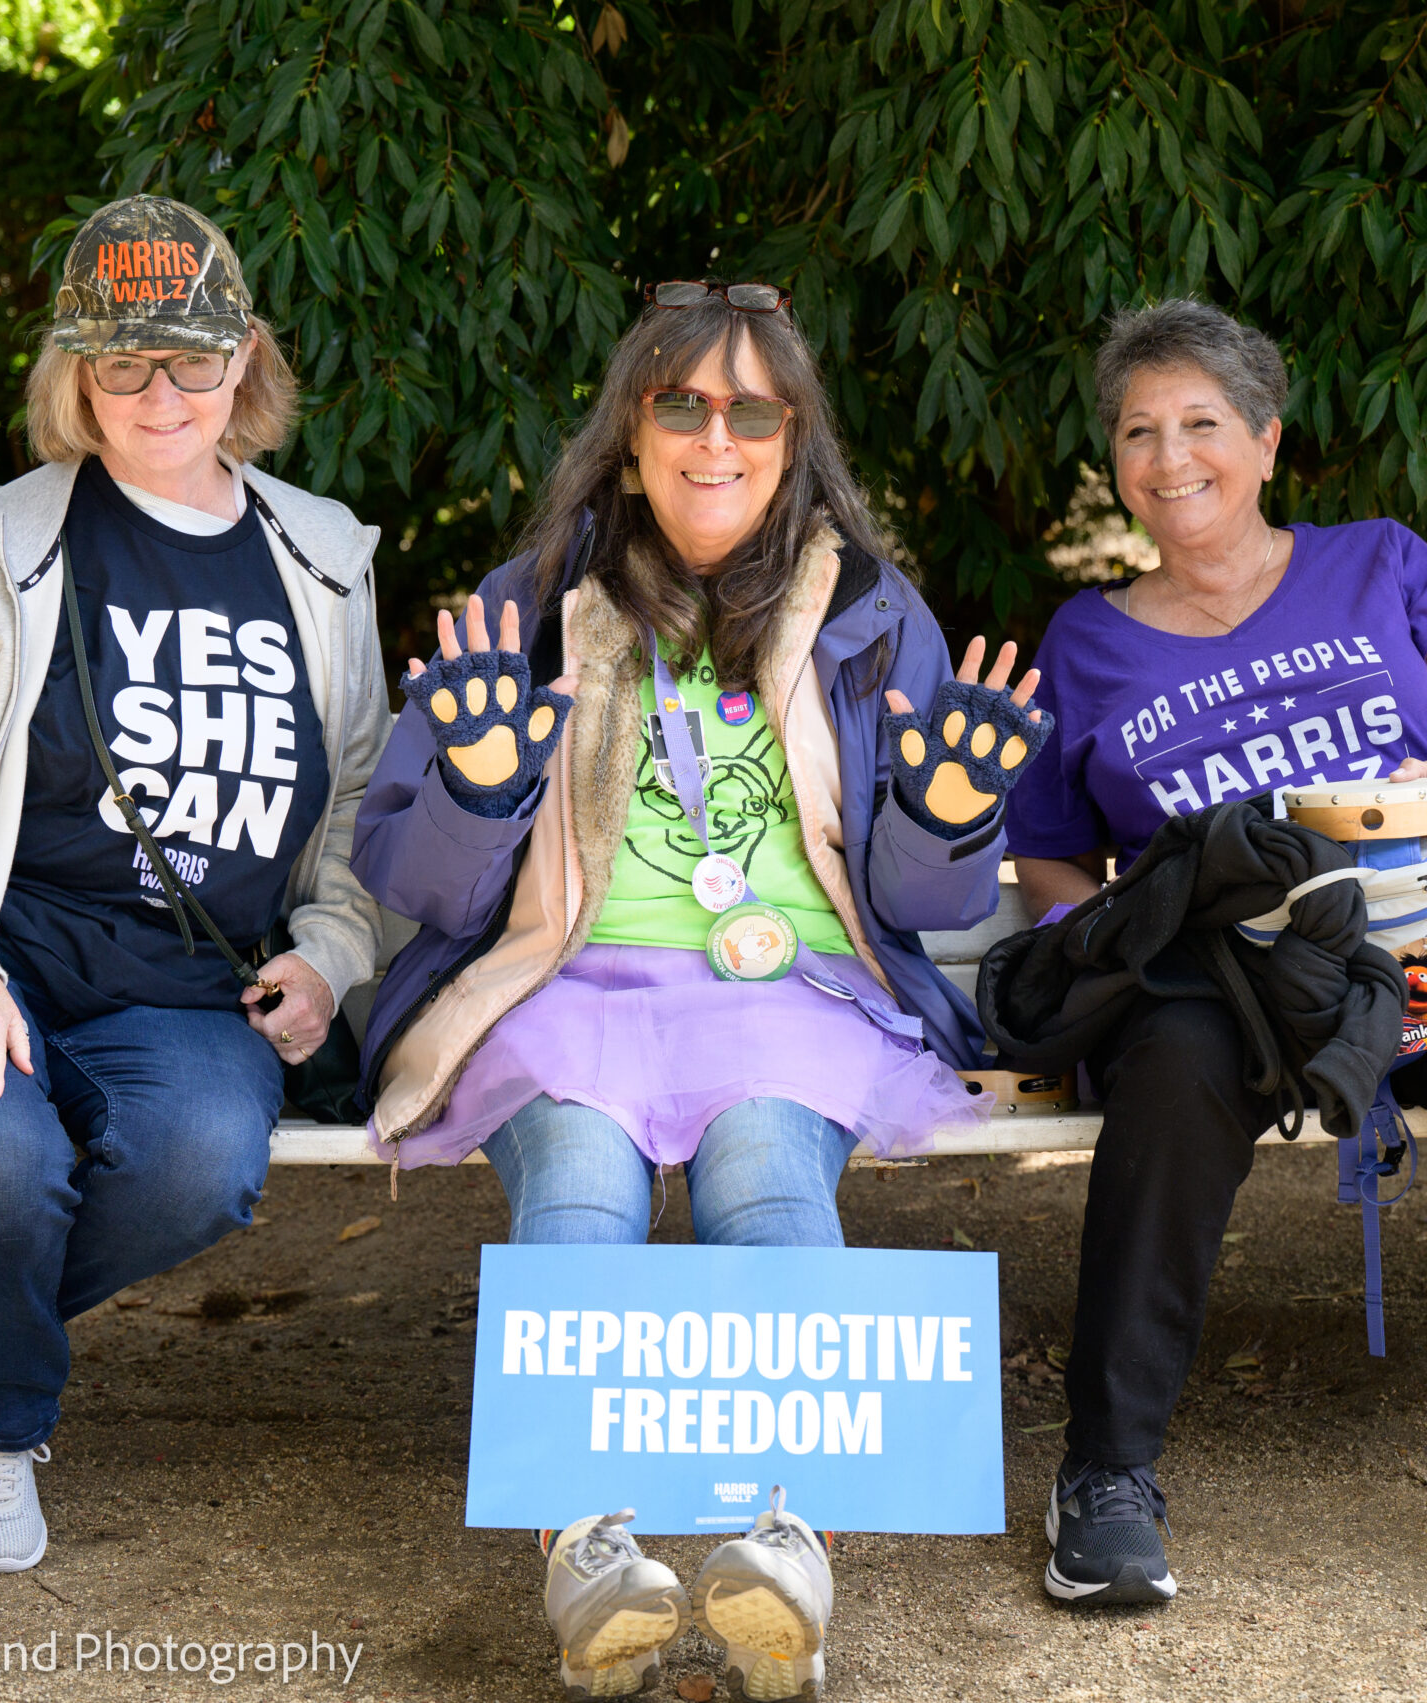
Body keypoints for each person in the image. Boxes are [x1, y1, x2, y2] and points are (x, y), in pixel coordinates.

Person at [349, 280, 1051, 1701]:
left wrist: (954, 816)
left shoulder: (865, 609)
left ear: (794, 440)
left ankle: (780, 1547)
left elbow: (924, 906)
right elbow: (415, 881)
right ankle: (587, 1552)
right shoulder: (533, 602)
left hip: (790, 992)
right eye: (681, 403)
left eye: (751, 408)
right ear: (628, 434)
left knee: (770, 1178)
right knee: (580, 1188)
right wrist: (481, 793)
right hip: (562, 979)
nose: (713, 435)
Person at [1005, 299, 1427, 1613]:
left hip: (1418, 932)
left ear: (1266, 440)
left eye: (1200, 424)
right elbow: (1056, 857)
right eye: (1139, 432)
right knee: (1173, 1075)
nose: (1169, 456)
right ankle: (1108, 1479)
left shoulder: (1381, 562)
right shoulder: (1089, 641)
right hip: (1225, 967)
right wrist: (1096, 938)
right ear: (1116, 463)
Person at [0, 196, 390, 1575]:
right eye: (122, 363)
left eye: (190, 356)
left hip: (178, 988)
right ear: (75, 370)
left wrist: (328, 957)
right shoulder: (6, 539)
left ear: (243, 357)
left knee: (198, 1163)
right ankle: (1, 1431)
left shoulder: (322, 559)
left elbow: (358, 802)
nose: (159, 392)